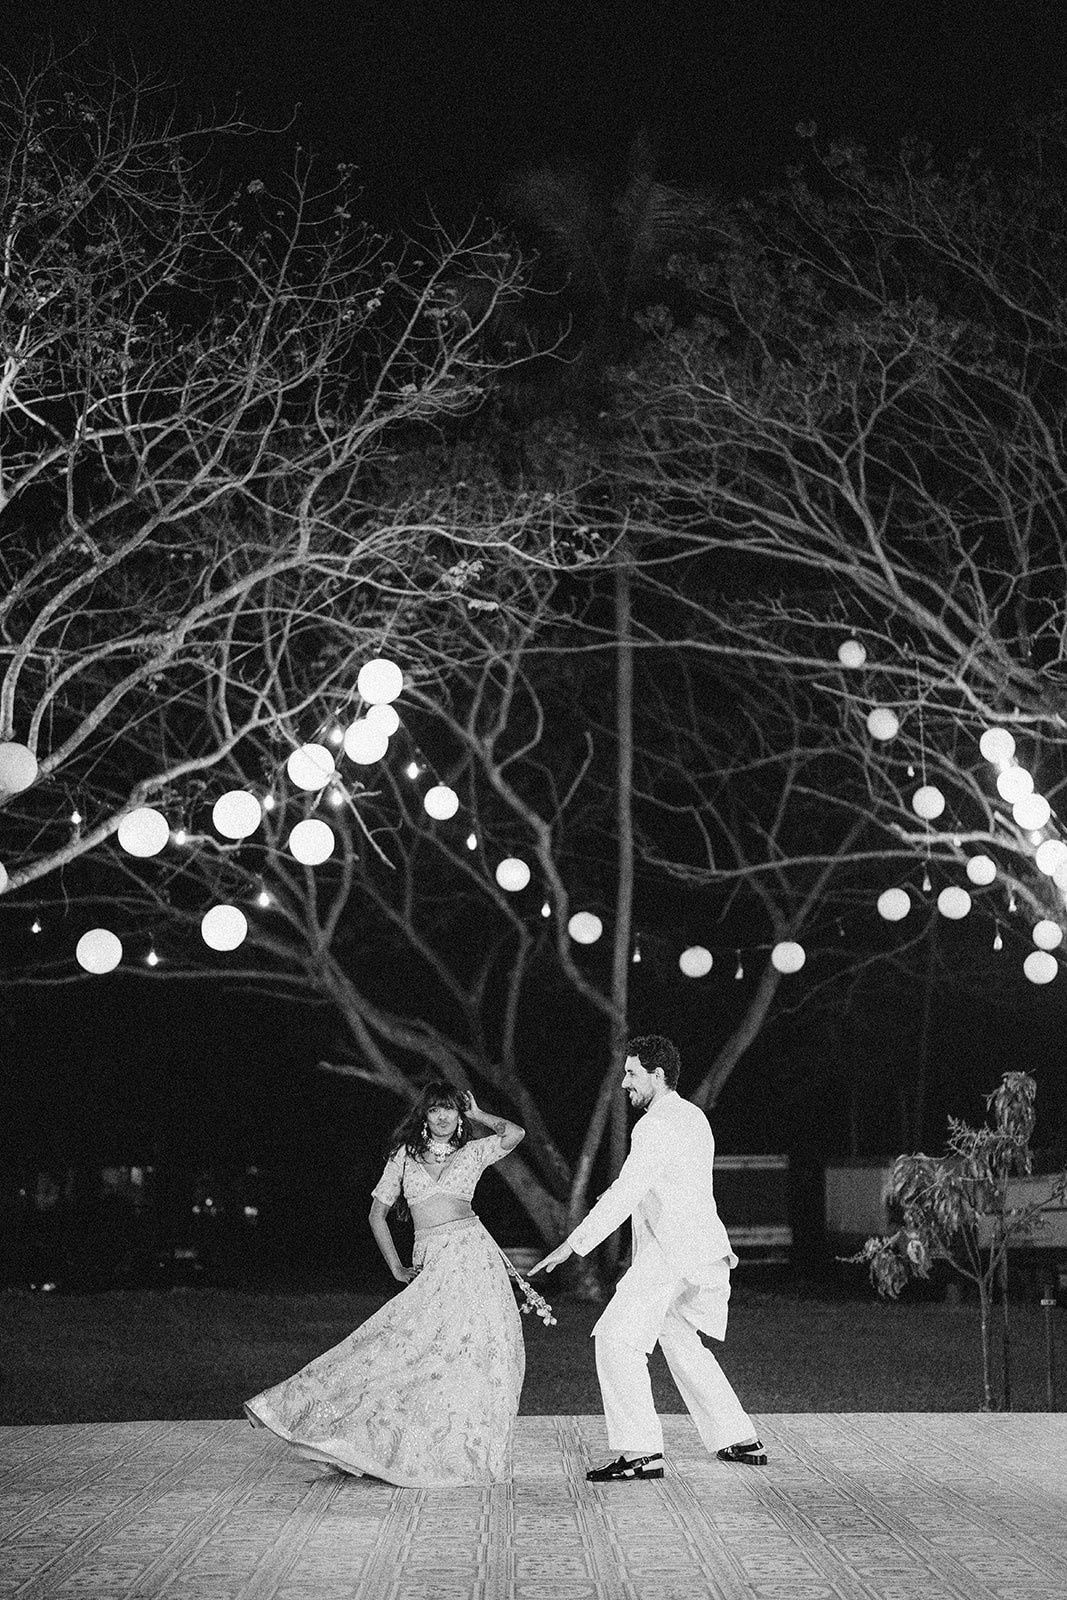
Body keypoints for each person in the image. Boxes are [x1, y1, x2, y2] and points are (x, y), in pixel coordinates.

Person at [244, 1082, 532, 1487]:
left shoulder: (472, 1152)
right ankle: (345, 1437)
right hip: (432, 1260)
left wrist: (479, 1114)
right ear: (424, 1116)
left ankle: (454, 1449)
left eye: (451, 1110)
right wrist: (396, 1267)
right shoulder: (404, 1158)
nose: (444, 1117)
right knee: (398, 1347)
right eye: (435, 1110)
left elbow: (515, 1134)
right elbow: (377, 1215)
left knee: (465, 1356)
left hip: (473, 1260)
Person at [531, 1034, 765, 1480]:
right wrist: (628, 1197)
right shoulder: (693, 1116)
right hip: (703, 1250)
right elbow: (671, 1184)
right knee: (678, 1338)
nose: (624, 1084)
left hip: (672, 1254)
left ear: (658, 1076)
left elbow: (628, 1191)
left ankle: (641, 1454)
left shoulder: (652, 1125)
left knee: (616, 1340)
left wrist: (571, 1246)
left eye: (632, 1074)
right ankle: (738, 1437)